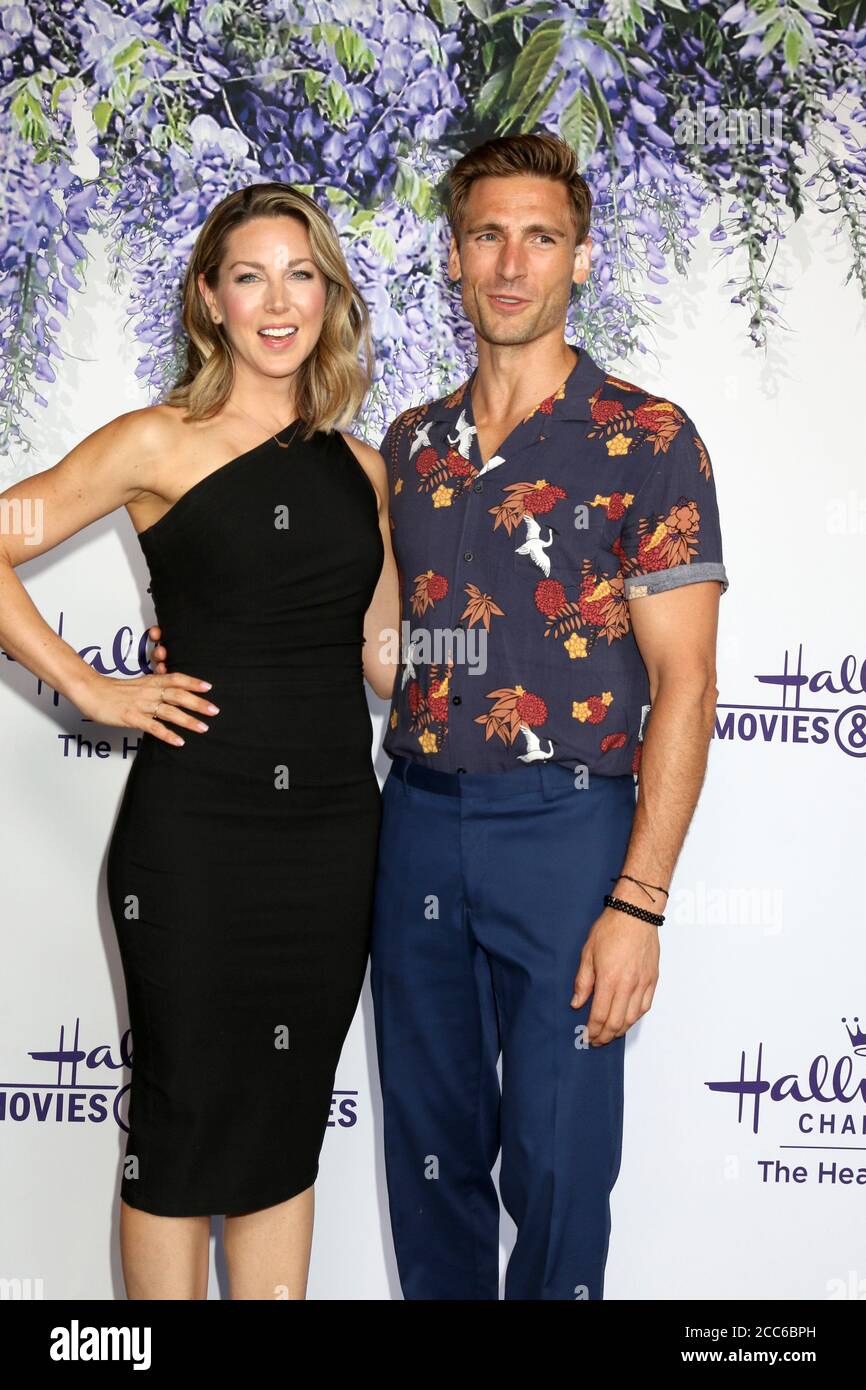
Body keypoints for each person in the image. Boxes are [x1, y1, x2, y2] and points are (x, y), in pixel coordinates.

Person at [0, 181, 399, 1300]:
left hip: (328, 837)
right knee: (180, 1115)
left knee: (284, 1113)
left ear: (328, 293)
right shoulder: (152, 442)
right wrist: (89, 685)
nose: (279, 301)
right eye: (249, 276)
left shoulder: (361, 468)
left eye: (301, 274)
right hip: (195, 838)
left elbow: (381, 656)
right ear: (208, 301)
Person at [369, 132, 729, 1299]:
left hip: (568, 836)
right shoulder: (411, 445)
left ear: (579, 260)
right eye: (487, 235)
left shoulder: (646, 439)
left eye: (540, 237)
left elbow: (686, 683)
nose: (510, 263)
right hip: (417, 821)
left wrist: (638, 900)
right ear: (454, 255)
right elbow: (400, 652)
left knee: (560, 1163)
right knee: (429, 1165)